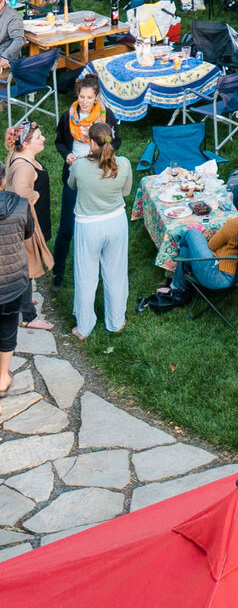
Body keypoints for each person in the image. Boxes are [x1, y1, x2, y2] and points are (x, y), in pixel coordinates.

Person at [53, 76, 121, 291]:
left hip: (98, 174)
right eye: (81, 96)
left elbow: (115, 140)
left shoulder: (105, 115)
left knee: (97, 226)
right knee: (66, 226)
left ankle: (99, 271)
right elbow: (59, 141)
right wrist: (67, 155)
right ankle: (58, 273)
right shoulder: (68, 116)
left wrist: (103, 150)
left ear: (96, 97)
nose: (84, 101)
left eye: (88, 97)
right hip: (75, 172)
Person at [153, 186, 238, 309]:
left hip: (217, 276)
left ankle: (179, 277)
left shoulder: (237, 224)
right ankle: (177, 286)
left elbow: (212, 245)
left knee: (192, 233)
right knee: (187, 250)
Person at [68, 121, 133, 339]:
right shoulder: (123, 164)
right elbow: (125, 192)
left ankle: (84, 327)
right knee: (116, 273)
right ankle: (115, 321)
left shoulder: (79, 165)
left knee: (86, 276)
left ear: (90, 142)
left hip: (89, 226)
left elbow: (71, 185)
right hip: (115, 222)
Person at [5, 120, 53, 330]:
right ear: (25, 144)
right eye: (38, 137)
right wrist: (36, 194)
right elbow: (20, 194)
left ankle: (23, 300)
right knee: (24, 268)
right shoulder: (24, 166)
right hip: (27, 224)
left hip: (29, 221)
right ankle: (29, 316)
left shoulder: (21, 156)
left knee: (24, 265)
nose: (43, 138)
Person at [0, 182, 30, 399]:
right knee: (8, 330)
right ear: (2, 182)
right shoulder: (21, 204)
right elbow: (28, 233)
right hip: (12, 282)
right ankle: (2, 376)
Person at [0, 0, 26, 71]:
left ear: (3, 2)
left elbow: (19, 40)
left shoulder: (13, 17)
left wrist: (5, 57)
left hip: (3, 54)